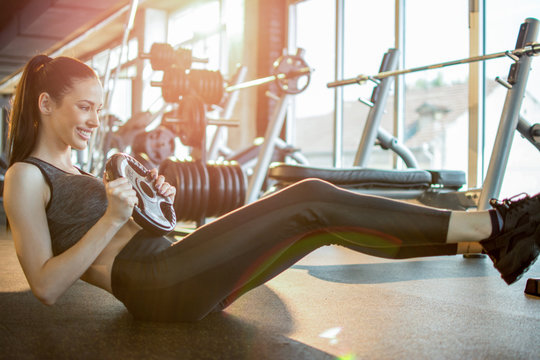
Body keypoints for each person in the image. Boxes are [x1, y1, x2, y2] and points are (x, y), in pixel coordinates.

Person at [3, 55, 539, 323]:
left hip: (172, 267)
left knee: (321, 223)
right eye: (84, 107)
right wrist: (113, 217)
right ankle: (489, 224)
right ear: (46, 104)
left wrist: (153, 200)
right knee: (308, 196)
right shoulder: (25, 176)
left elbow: (132, 225)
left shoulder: (81, 167)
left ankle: (485, 239)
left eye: (100, 108)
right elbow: (47, 286)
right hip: (153, 286)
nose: (95, 119)